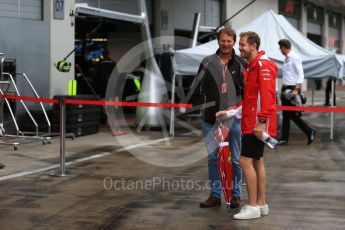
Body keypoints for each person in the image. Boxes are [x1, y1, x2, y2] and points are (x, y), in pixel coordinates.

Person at [198, 27, 247, 209]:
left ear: (234, 42)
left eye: (229, 41)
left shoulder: (242, 63)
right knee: (213, 159)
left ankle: (235, 195)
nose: (226, 44)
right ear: (218, 41)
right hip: (210, 121)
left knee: (235, 158)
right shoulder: (207, 62)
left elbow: (248, 93)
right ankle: (215, 195)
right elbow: (198, 88)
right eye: (223, 40)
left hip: (234, 121)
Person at [230, 31, 277, 219]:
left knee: (244, 161)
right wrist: (231, 112)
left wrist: (262, 121)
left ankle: (252, 206)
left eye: (242, 44)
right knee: (257, 162)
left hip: (256, 125)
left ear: (254, 46)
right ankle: (261, 204)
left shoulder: (263, 65)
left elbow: (268, 96)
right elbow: (250, 99)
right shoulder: (253, 66)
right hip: (252, 123)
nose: (239, 47)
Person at [277, 39, 316, 146]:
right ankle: (284, 138)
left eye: (280, 47)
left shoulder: (295, 57)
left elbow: (301, 74)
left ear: (284, 47)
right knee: (286, 114)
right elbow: (286, 76)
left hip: (292, 89)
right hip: (286, 89)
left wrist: (296, 89)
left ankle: (309, 131)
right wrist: (281, 89)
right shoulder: (287, 58)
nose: (280, 50)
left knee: (292, 114)